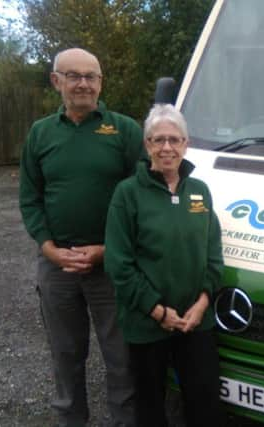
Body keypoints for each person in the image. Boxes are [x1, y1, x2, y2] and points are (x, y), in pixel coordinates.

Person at [19, 48, 143, 426]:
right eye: (73, 75)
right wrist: (49, 249)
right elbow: (30, 198)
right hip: (57, 268)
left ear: (102, 82)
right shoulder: (40, 133)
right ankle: (71, 420)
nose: (83, 83)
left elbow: (143, 199)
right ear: (56, 81)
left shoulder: (124, 130)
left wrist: (109, 250)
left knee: (121, 358)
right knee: (65, 354)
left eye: (91, 76)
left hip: (113, 266)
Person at [104, 103, 225, 427]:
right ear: (147, 146)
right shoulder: (127, 194)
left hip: (195, 320)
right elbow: (119, 265)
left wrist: (203, 301)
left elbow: (213, 255)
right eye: (158, 140)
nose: (167, 147)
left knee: (204, 403)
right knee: (150, 407)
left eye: (175, 139)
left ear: (186, 144)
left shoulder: (200, 192)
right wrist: (157, 310)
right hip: (147, 325)